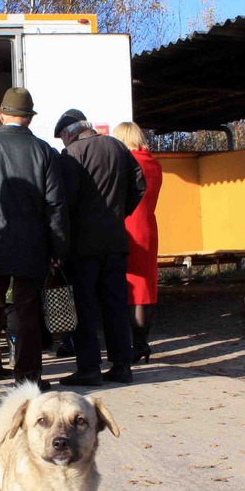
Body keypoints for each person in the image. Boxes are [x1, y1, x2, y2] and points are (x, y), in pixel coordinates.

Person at [0, 88, 68, 391]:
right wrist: (56, 247)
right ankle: (28, 378)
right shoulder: (44, 151)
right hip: (32, 244)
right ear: (29, 119)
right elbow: (55, 205)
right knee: (28, 312)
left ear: (2, 115)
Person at [54, 109, 145, 386]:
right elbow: (139, 185)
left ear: (69, 133)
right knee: (115, 305)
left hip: (82, 246)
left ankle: (89, 368)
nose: (63, 144)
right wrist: (118, 213)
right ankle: (121, 366)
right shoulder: (117, 146)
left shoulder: (72, 154)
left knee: (84, 307)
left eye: (62, 139)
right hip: (116, 241)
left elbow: (64, 200)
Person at [113, 121, 163, 362]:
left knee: (131, 288)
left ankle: (138, 344)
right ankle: (142, 341)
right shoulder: (154, 163)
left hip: (129, 227)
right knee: (146, 287)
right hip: (148, 227)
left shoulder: (128, 164)